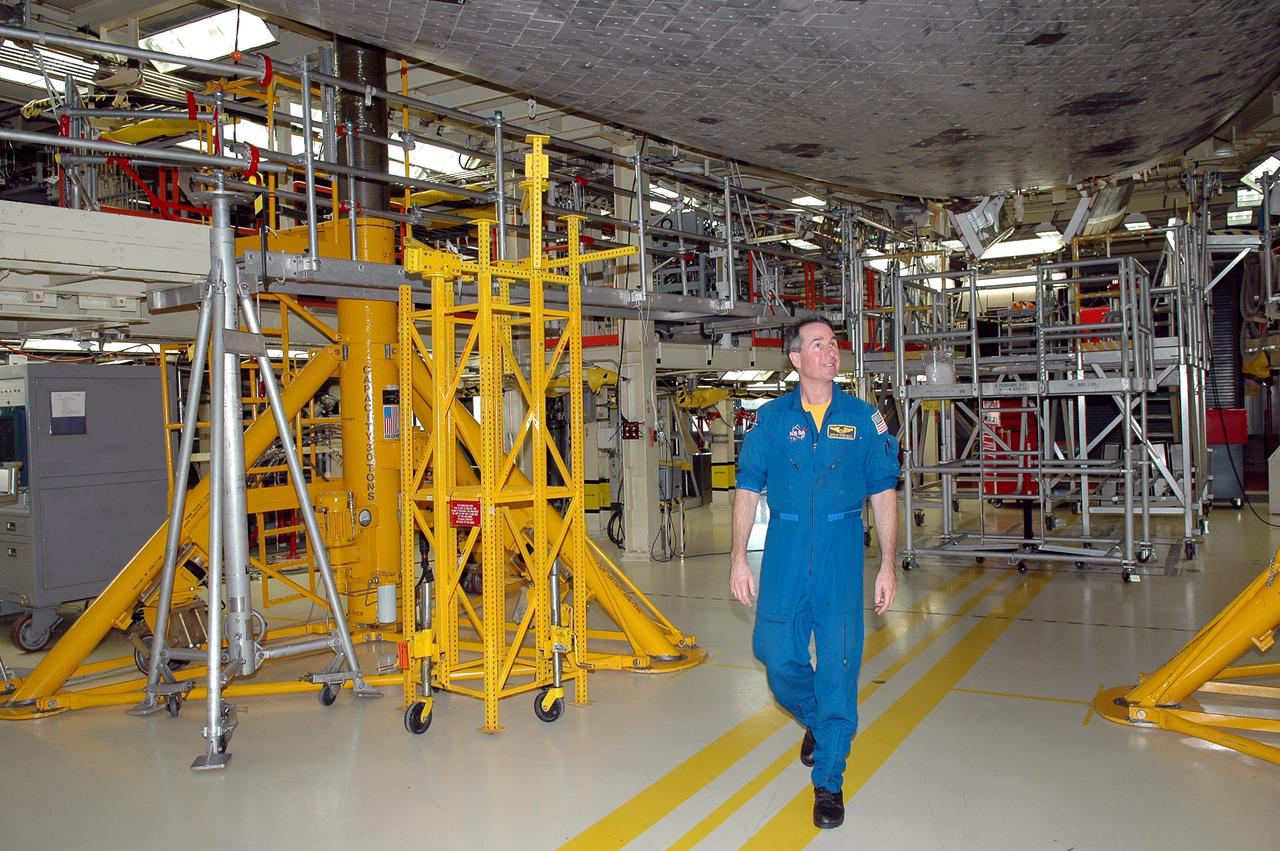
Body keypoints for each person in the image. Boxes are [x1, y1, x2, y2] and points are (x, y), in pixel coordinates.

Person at [729, 316, 900, 829]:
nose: (831, 351)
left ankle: (828, 780)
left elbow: (884, 493)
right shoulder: (772, 420)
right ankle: (819, 721)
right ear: (796, 359)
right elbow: (746, 489)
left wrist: (888, 563)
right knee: (774, 654)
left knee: (840, 667)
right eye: (818, 344)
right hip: (783, 547)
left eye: (834, 343)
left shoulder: (865, 419)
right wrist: (738, 556)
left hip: (840, 552)